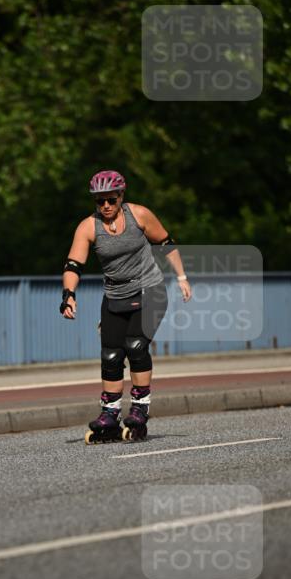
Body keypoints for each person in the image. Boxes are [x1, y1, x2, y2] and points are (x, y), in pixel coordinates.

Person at [60, 170, 192, 442]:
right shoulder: (88, 227)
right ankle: (110, 415)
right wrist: (68, 295)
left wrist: (181, 277)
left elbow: (166, 243)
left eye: (111, 199)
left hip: (150, 290)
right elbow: (73, 264)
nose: (106, 205)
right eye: (100, 201)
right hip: (115, 295)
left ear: (121, 196)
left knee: (135, 346)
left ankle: (140, 411)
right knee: (110, 355)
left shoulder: (139, 215)